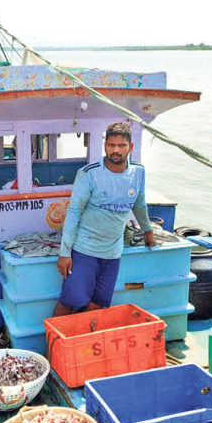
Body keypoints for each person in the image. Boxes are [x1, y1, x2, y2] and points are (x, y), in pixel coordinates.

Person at [53, 122, 155, 317]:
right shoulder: (89, 173)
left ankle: (80, 343)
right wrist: (65, 253)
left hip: (113, 253)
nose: (115, 150)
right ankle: (53, 345)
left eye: (121, 145)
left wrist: (148, 231)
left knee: (98, 304)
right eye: (111, 145)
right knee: (70, 300)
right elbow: (73, 212)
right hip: (85, 249)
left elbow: (139, 204)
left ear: (130, 147)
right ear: (105, 146)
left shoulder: (138, 172)